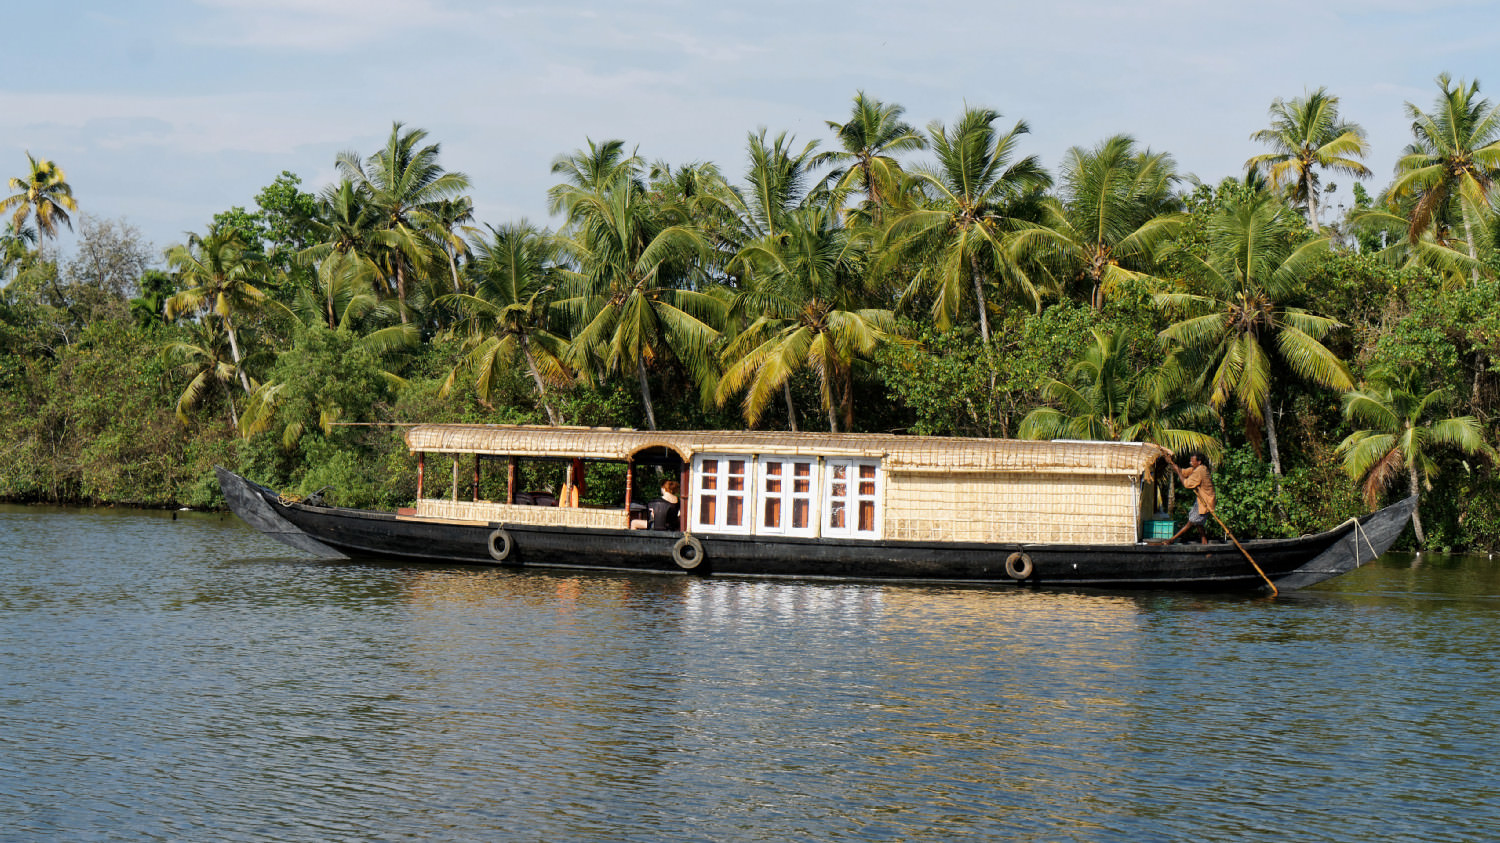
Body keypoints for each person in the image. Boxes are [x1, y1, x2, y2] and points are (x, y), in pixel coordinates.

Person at [1158, 446, 1215, 544]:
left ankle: (1172, 539)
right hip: (1201, 500)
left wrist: (1178, 471)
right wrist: (1172, 463)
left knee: (1192, 521)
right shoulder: (1197, 468)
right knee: (1198, 522)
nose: (1190, 463)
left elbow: (1186, 484)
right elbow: (1183, 472)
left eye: (1192, 461)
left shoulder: (1200, 471)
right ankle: (1204, 541)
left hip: (1206, 501)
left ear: (1199, 462)